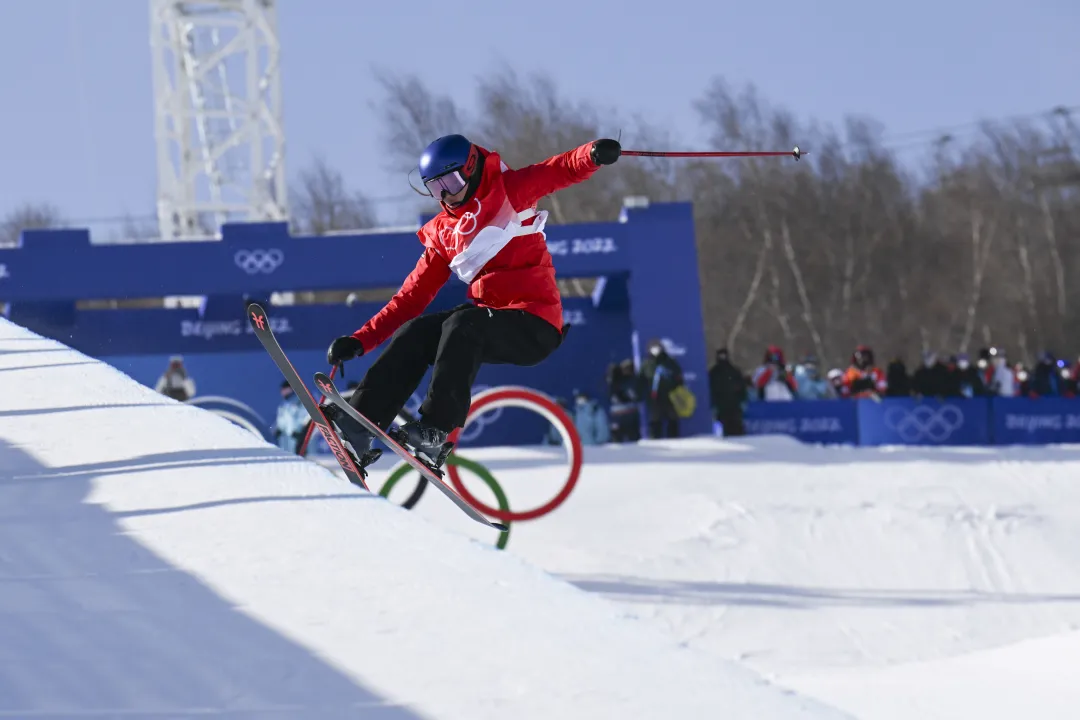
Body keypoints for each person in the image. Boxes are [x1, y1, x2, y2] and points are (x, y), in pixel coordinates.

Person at [320, 133, 623, 470]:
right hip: (489, 319)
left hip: (534, 324)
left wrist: (593, 155)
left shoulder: (509, 190)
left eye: (451, 182)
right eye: (436, 188)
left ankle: (434, 433)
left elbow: (560, 169)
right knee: (416, 331)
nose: (447, 195)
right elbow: (411, 297)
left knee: (463, 323)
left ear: (472, 168)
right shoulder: (445, 233)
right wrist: (361, 339)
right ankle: (359, 425)